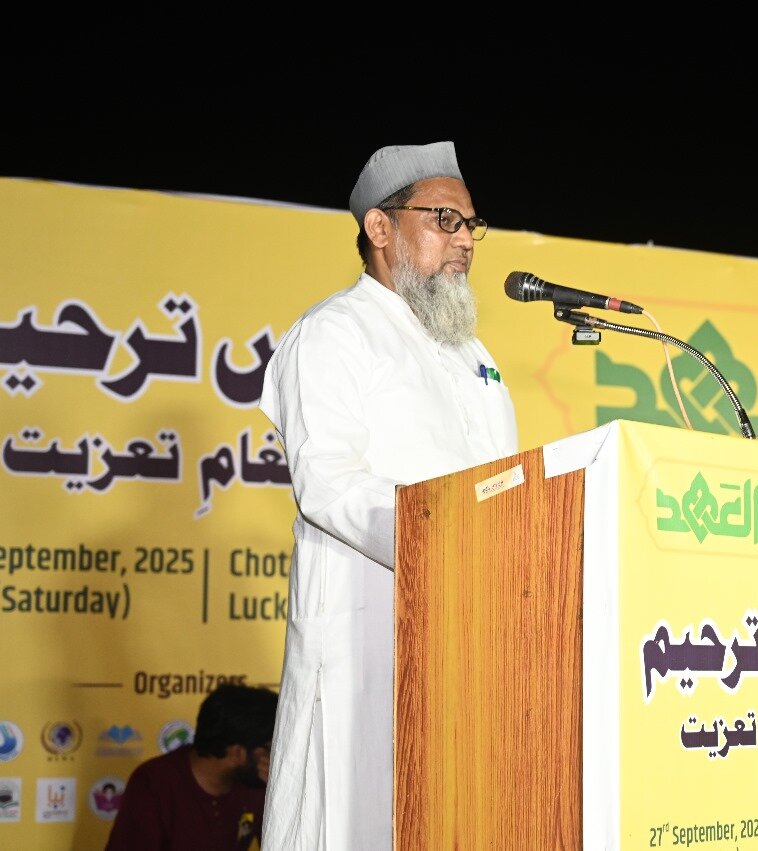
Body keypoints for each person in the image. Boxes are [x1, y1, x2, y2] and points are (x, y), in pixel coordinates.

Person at [258, 140, 519, 849]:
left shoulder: (477, 359)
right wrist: (447, 536)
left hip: (470, 640)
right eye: (445, 220)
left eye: (471, 226)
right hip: (367, 637)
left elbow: (504, 484)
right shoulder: (331, 335)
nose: (465, 241)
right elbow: (329, 482)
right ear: (380, 228)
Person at [104, 683, 278, 851]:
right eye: (270, 748)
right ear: (236, 753)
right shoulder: (154, 783)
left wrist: (281, 798)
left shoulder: (260, 784)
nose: (276, 757)